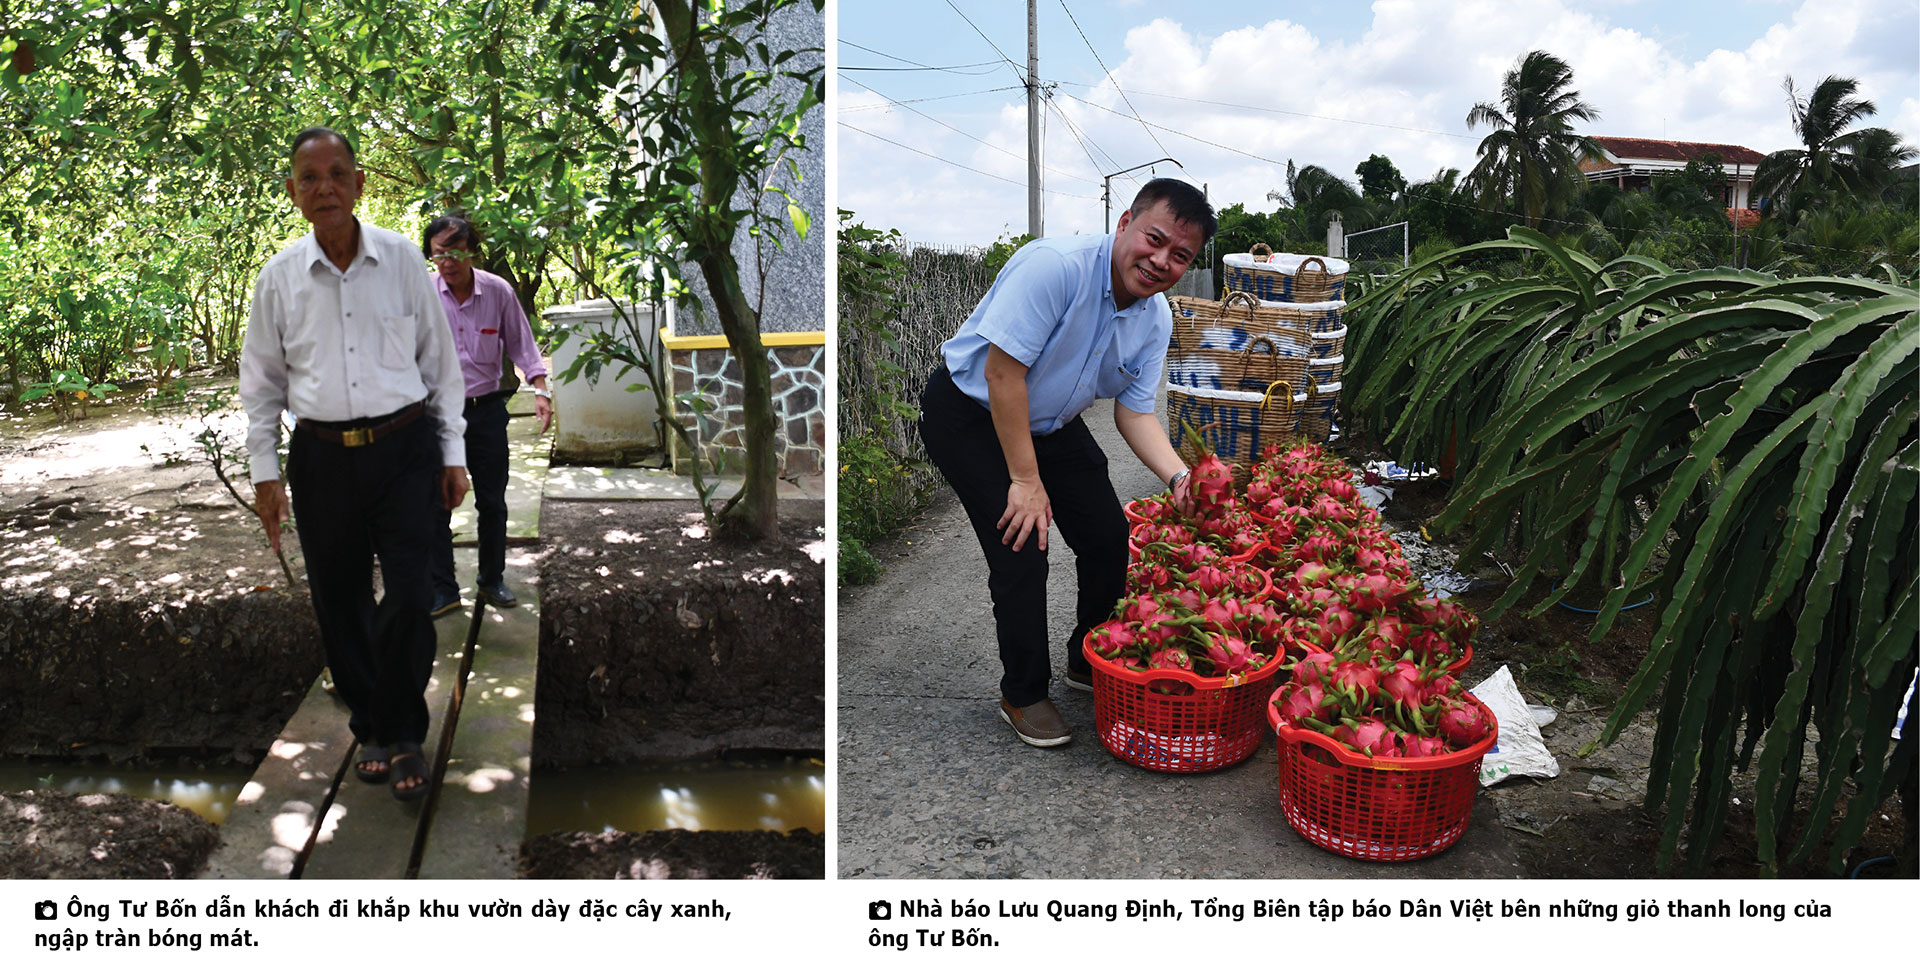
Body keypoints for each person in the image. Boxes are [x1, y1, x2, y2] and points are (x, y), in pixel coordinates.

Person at [919, 178, 1216, 748]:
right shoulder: (1055, 267)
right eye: (1154, 240)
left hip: (1050, 421)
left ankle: (1088, 656)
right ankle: (1023, 692)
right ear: (1125, 221)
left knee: (1107, 534)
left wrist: (1179, 476)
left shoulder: (1155, 320)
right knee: (1023, 544)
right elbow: (1003, 376)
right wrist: (1025, 482)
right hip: (972, 410)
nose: (1160, 261)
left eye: (1180, 256)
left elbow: (1135, 414)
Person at [239, 126, 470, 800]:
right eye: (309, 178)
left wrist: (452, 452)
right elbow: (261, 387)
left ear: (360, 183)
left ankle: (404, 728)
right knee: (338, 600)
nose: (325, 188)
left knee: (407, 592)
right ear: (292, 192)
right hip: (321, 459)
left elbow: (440, 366)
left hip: (403, 452)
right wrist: (265, 472)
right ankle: (375, 723)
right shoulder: (278, 279)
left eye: (337, 173)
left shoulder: (401, 260)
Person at [421, 214, 553, 614]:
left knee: (492, 502)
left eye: (455, 252)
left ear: (471, 251)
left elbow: (522, 345)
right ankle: (444, 589)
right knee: (435, 504)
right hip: (436, 416)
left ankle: (491, 580)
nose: (447, 262)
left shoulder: (497, 292)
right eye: (438, 254)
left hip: (487, 411)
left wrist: (541, 390)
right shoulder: (423, 296)